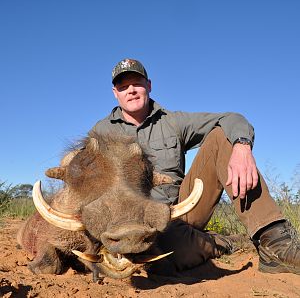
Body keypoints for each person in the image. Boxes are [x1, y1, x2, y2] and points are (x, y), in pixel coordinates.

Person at [89, 58, 300, 275]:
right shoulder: (100, 132)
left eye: (137, 83)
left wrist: (242, 147)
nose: (131, 90)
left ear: (149, 86)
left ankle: (275, 243)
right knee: (163, 256)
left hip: (178, 212)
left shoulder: (173, 121)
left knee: (222, 136)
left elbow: (231, 118)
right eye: (123, 86)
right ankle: (222, 242)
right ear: (115, 92)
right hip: (128, 219)